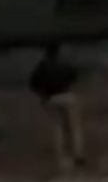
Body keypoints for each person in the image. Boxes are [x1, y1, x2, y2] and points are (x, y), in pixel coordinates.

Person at [29, 43, 85, 174]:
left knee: (57, 130)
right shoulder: (64, 64)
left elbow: (33, 84)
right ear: (58, 53)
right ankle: (78, 155)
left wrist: (43, 94)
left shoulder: (42, 67)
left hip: (51, 98)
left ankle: (62, 161)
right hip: (67, 95)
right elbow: (75, 75)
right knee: (74, 127)